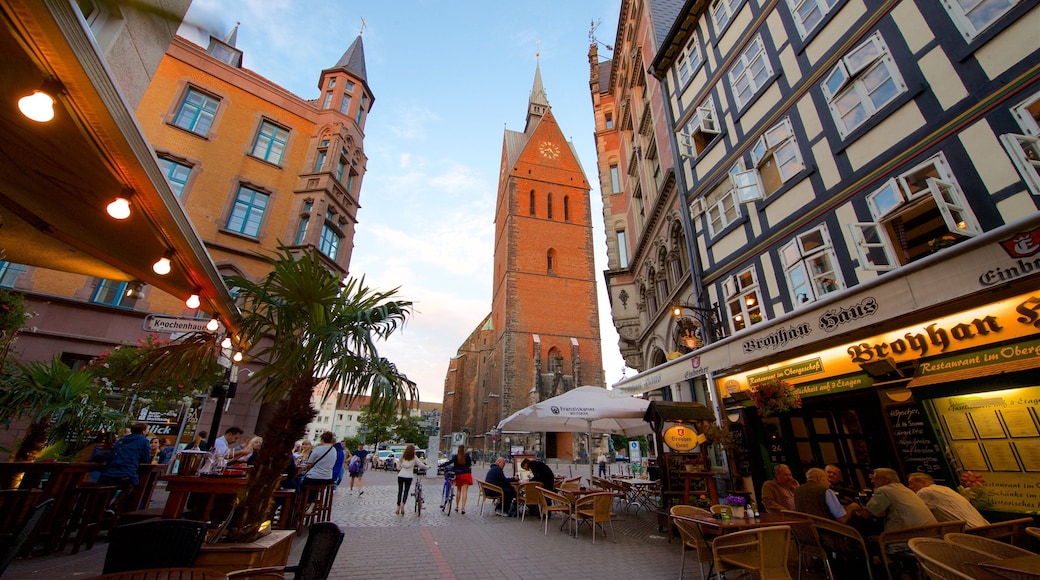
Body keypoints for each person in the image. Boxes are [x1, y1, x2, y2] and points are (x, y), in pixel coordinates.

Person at [855, 468, 937, 533]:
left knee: (870, 540)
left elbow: (869, 513)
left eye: (875, 478)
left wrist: (853, 508)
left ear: (886, 480)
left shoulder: (884, 490)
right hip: (931, 532)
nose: (872, 481)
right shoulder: (905, 489)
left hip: (909, 535)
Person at [98, 423, 151, 512]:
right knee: (132, 485)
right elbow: (145, 458)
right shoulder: (143, 440)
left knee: (109, 487)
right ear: (143, 431)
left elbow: (112, 453)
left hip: (108, 472)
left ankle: (101, 508)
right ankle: (114, 507)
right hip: (126, 472)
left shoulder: (122, 440)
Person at [907, 472, 988, 528]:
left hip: (968, 532)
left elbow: (920, 518)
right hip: (984, 528)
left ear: (923, 482)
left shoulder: (924, 492)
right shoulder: (945, 489)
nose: (909, 487)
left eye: (911, 483)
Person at [395, 444, 429, 515]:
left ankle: (398, 507)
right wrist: (427, 467)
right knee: (406, 491)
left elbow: (398, 467)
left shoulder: (402, 457)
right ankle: (403, 504)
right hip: (409, 476)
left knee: (400, 491)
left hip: (401, 475)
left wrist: (402, 468)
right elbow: (421, 465)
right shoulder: (414, 457)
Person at [441, 445, 474, 514]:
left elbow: (449, 463)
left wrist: (441, 465)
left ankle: (457, 506)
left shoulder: (456, 457)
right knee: (465, 491)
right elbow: (470, 465)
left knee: (458, 490)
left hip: (459, 475)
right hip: (467, 474)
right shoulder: (467, 456)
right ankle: (463, 508)